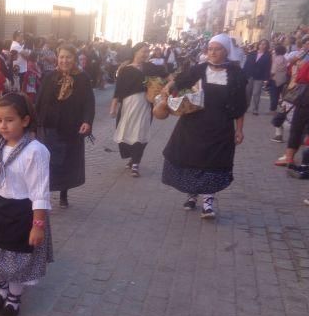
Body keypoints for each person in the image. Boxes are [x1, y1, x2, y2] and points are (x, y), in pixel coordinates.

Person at [0, 93, 53, 316]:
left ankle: (14, 298)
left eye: (9, 120)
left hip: (21, 212)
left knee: (15, 260)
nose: (3, 126)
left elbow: (40, 192)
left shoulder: (35, 151)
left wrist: (38, 226)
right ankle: (1, 290)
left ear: (25, 121)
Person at [154, 33, 246, 220]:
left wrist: (239, 130)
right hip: (194, 123)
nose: (212, 52)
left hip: (220, 126)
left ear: (226, 51)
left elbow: (240, 105)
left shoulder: (236, 74)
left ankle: (208, 202)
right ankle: (192, 195)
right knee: (192, 158)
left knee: (213, 162)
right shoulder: (199, 69)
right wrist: (167, 91)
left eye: (217, 49)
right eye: (210, 49)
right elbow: (179, 83)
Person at [35, 44, 95, 209]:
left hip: (71, 128)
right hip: (49, 127)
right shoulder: (49, 76)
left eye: (68, 57)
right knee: (46, 162)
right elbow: (39, 100)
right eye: (61, 57)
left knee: (66, 162)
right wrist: (33, 121)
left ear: (74, 59)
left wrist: (87, 121)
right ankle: (43, 196)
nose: (64, 60)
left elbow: (89, 102)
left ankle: (63, 194)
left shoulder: (82, 78)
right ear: (57, 57)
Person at [109, 43, 168, 177]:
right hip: (128, 105)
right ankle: (132, 157)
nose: (145, 54)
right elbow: (118, 90)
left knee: (141, 132)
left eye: (147, 52)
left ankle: (136, 163)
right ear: (135, 52)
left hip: (146, 104)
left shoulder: (150, 67)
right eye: (143, 51)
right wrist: (113, 107)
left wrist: (168, 86)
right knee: (127, 132)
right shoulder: (125, 69)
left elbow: (167, 75)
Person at [242, 39, 272, 115]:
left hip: (259, 77)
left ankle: (255, 109)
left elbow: (268, 67)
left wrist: (266, 78)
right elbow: (246, 64)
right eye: (261, 44)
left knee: (256, 93)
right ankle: (246, 106)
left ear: (267, 46)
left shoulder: (268, 55)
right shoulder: (252, 53)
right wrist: (243, 74)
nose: (262, 45)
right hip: (249, 75)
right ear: (258, 45)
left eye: (264, 44)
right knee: (247, 92)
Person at [270, 44, 288, 113]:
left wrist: (270, 76)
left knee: (273, 94)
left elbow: (274, 70)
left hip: (275, 78)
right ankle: (277, 107)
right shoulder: (284, 59)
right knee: (279, 94)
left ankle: (273, 109)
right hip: (283, 78)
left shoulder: (276, 59)